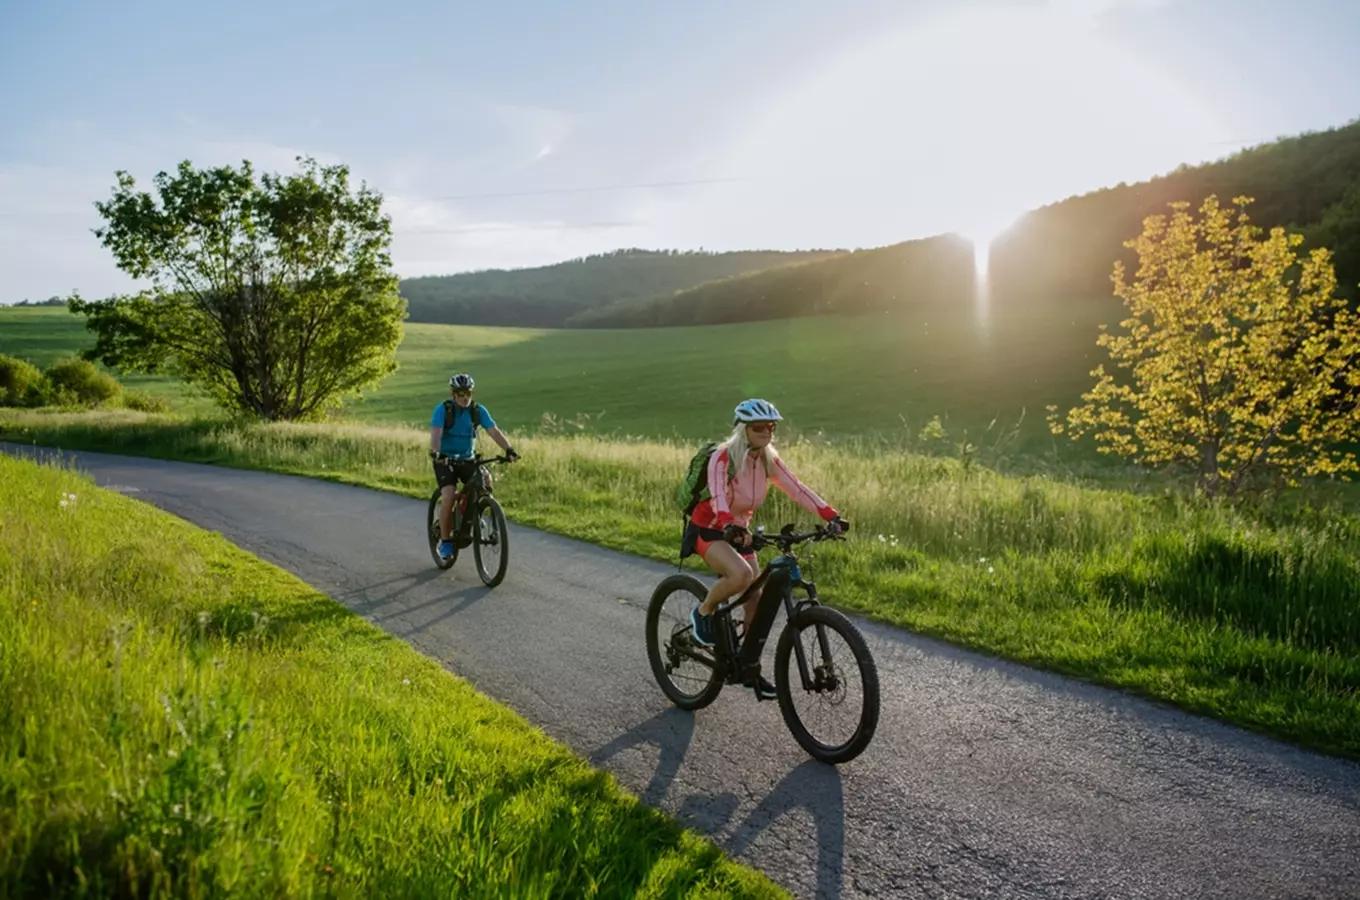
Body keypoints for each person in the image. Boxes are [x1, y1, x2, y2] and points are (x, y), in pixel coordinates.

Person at [685, 398, 849, 699]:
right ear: (743, 429)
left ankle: (749, 668)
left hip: (740, 532)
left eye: (771, 426)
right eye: (759, 426)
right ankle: (703, 611)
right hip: (709, 528)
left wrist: (831, 515)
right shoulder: (722, 458)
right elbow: (719, 496)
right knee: (741, 575)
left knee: (756, 598)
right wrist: (727, 525)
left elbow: (796, 488)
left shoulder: (767, 460)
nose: (766, 432)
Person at [428, 373, 518, 561]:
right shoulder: (443, 410)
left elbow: (493, 431)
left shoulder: (477, 410)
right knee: (448, 495)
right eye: (460, 393)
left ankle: (475, 514)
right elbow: (436, 433)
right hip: (445, 461)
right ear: (453, 394)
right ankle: (445, 541)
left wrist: (509, 449)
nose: (465, 397)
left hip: (468, 459)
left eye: (468, 392)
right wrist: (437, 453)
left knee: (486, 481)